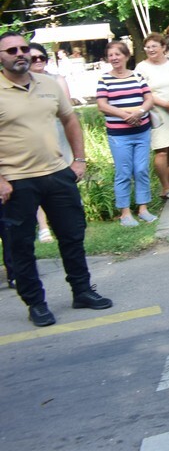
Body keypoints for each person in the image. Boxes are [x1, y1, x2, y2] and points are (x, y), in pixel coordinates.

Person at [1, 32, 112, 327]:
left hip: (57, 174)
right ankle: (36, 303)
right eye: (11, 50)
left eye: (24, 48)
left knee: (72, 236)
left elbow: (70, 119)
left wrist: (79, 160)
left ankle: (82, 291)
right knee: (22, 245)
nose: (20, 53)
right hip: (16, 181)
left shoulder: (48, 84)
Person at [96, 41, 157, 226]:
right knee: (123, 172)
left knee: (141, 169)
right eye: (111, 55)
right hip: (119, 134)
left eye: (118, 54)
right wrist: (125, 116)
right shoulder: (104, 79)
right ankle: (125, 213)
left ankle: (143, 209)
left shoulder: (138, 76)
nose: (114, 58)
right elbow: (102, 105)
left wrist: (139, 112)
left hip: (142, 131)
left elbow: (149, 99)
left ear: (126, 56)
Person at [135, 32, 169, 200]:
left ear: (163, 47)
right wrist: (164, 103)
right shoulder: (141, 67)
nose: (150, 50)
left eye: (154, 46)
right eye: (147, 47)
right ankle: (164, 187)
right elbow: (142, 91)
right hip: (157, 113)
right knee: (162, 150)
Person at [28, 43, 72, 242]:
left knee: (63, 175)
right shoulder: (23, 84)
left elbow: (67, 110)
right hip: (35, 137)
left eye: (42, 57)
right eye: (33, 58)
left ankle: (65, 221)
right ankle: (44, 226)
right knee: (37, 179)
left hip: (58, 132)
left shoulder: (56, 80)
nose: (38, 61)